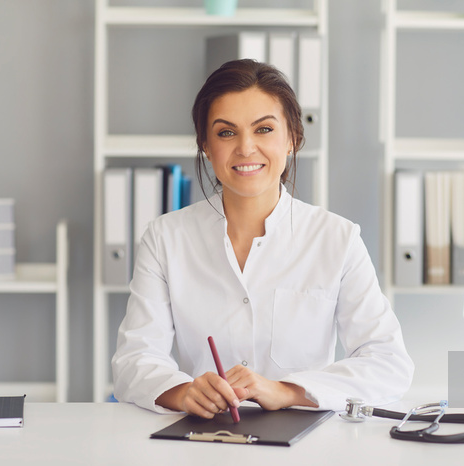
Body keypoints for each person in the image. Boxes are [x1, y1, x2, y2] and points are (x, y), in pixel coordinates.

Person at [112, 59, 414, 417]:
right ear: (205, 145)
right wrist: (182, 392)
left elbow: (388, 363)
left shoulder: (338, 239)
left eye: (264, 130)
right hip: (205, 440)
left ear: (292, 139)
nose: (245, 148)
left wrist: (286, 391)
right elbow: (134, 359)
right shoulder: (165, 238)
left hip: (307, 444)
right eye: (226, 132)